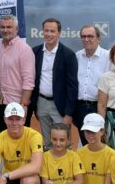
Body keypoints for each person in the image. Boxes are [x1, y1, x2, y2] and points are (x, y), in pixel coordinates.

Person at [31, 18, 79, 149]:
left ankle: (65, 169)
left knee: (62, 142)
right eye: (46, 30)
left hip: (60, 106)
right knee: (48, 143)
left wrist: (69, 114)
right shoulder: (35, 52)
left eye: (52, 31)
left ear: (59, 33)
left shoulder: (68, 55)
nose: (49, 34)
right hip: (41, 103)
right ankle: (49, 169)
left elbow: (72, 86)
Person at [67, 113, 115, 184]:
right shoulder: (80, 152)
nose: (89, 135)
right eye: (87, 131)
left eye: (93, 131)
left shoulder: (112, 156)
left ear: (102, 132)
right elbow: (78, 182)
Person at [0, 15, 35, 131]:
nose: (5, 30)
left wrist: (23, 106)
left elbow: (29, 81)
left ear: (16, 29)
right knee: (5, 140)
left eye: (9, 27)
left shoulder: (24, 49)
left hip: (18, 104)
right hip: (1, 104)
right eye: (2, 27)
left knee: (20, 141)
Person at [75, 25, 112, 145]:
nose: (86, 39)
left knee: (101, 143)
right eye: (83, 36)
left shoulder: (108, 57)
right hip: (80, 108)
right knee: (86, 143)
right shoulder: (77, 56)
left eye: (90, 36)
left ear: (99, 38)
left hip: (100, 107)